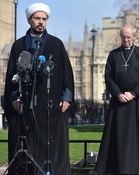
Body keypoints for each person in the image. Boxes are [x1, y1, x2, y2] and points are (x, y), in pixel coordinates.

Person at [3, 2, 74, 175]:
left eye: (44, 19)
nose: (41, 22)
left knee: (49, 145)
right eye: (37, 18)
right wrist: (14, 98)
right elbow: (11, 76)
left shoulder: (56, 45)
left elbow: (66, 73)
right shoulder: (19, 46)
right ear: (29, 20)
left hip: (49, 106)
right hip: (25, 106)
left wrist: (66, 97)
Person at [93, 24, 139, 175]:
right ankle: (116, 167)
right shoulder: (114, 55)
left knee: (137, 136)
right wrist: (118, 93)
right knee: (117, 136)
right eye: (123, 37)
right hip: (118, 102)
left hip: (136, 102)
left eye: (128, 37)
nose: (126, 40)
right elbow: (108, 77)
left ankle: (138, 168)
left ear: (134, 36)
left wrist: (133, 93)